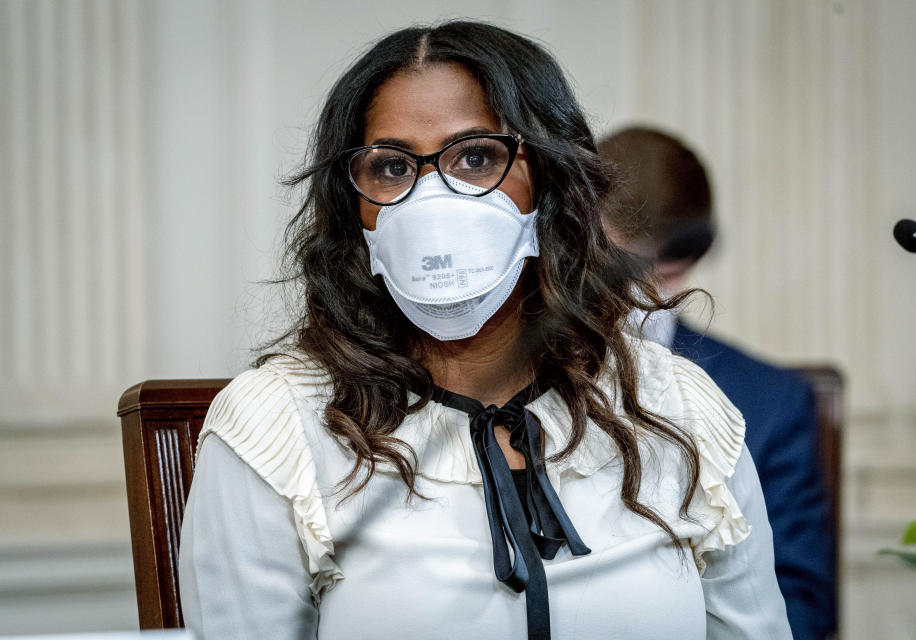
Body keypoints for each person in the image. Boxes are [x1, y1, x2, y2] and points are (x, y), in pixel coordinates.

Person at [178, 22, 792, 640]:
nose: (432, 200)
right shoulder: (274, 426)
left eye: (476, 158)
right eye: (392, 167)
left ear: (551, 184)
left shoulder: (679, 408)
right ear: (352, 205)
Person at [598, 126, 836, 640]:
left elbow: (804, 605)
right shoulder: (505, 375)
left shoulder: (773, 403)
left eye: (666, 273)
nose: (640, 293)